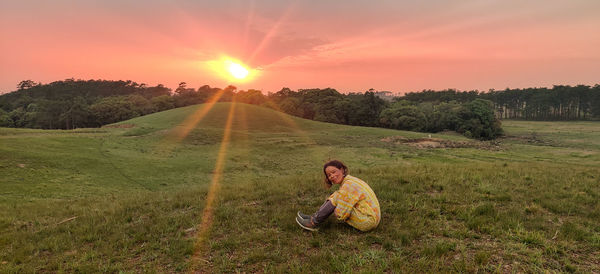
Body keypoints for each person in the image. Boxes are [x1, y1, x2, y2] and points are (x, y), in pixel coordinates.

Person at [296, 160, 381, 232]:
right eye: (329, 175)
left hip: (368, 221)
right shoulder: (350, 180)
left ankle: (313, 223)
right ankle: (315, 217)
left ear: (342, 170)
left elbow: (340, 214)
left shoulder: (348, 185)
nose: (332, 176)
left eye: (334, 172)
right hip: (372, 218)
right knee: (338, 195)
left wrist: (337, 210)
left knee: (337, 197)